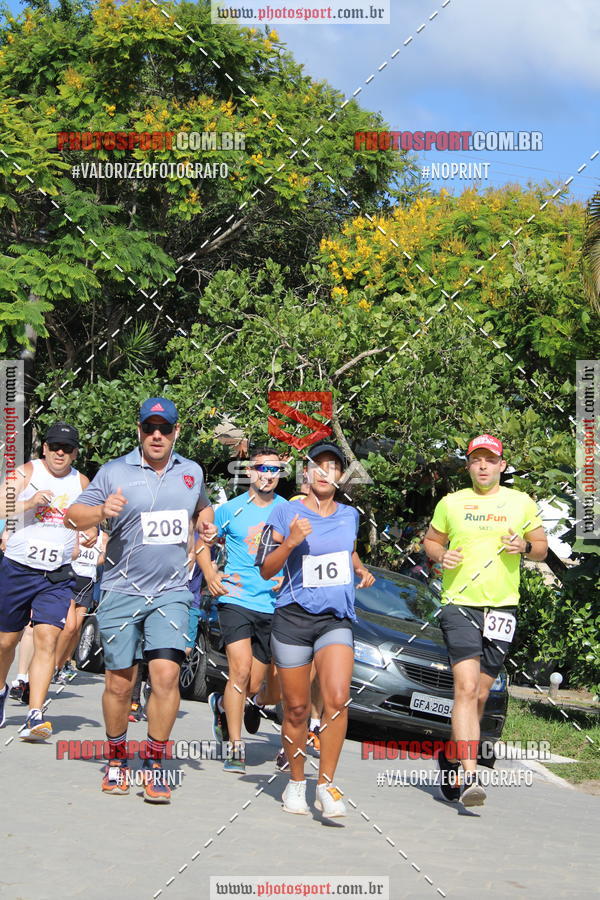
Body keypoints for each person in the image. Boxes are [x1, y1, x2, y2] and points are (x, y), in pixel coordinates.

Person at [64, 398, 213, 803]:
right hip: (121, 591)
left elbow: (202, 508)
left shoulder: (191, 472)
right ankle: (115, 760)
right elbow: (72, 516)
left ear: (176, 432)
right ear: (140, 431)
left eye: (164, 428)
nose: (157, 435)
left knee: (165, 676)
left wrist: (206, 522)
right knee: (119, 682)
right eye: (150, 428)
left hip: (171, 592)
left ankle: (155, 765)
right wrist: (100, 514)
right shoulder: (114, 472)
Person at [423, 434, 548, 807]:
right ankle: (470, 774)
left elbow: (541, 548)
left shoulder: (520, 502)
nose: (482, 466)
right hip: (459, 604)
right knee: (464, 688)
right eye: (476, 459)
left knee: (479, 693)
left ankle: (453, 754)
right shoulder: (452, 502)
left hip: (502, 608)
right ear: (468, 466)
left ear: (501, 466)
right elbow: (431, 541)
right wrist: (439, 555)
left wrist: (524, 547)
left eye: (489, 460)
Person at [256, 442, 375, 819]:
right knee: (295, 708)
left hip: (335, 620)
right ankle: (295, 781)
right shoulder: (285, 511)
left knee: (337, 700)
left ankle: (326, 784)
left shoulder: (349, 516)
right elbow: (265, 569)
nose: (325, 472)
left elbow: (345, 551)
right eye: (318, 466)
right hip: (293, 617)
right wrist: (291, 540)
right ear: (306, 473)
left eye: (333, 467)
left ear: (341, 476)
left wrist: (358, 569)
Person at [0, 422, 95, 740]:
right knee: (5, 642)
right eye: (54, 446)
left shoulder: (82, 481)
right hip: (18, 569)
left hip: (56, 576)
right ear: (44, 448)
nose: (60, 453)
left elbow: (91, 520)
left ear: (75, 453)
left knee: (47, 640)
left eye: (67, 449)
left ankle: (34, 714)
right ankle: (2, 689)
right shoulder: (26, 472)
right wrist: (29, 503)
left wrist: (91, 533)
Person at [198, 446, 287, 774]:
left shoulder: (288, 511)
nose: (268, 475)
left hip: (271, 604)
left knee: (255, 684)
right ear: (249, 472)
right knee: (239, 670)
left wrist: (287, 578)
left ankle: (221, 705)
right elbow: (202, 545)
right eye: (262, 468)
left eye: (275, 470)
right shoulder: (230, 510)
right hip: (235, 599)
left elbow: (298, 552)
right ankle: (235, 748)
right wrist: (210, 574)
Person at [54, 530, 108, 681]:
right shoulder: (74, 531)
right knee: (69, 627)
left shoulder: (102, 536)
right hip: (71, 579)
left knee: (77, 627)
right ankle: (54, 665)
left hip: (87, 583)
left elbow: (105, 556)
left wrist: (92, 561)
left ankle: (65, 662)